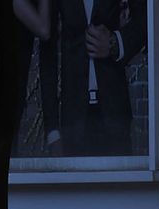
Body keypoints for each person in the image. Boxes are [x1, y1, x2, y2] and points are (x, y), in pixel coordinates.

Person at [39, 0, 147, 156]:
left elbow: (145, 18)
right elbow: (48, 55)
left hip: (114, 114)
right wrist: (53, 132)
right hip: (73, 119)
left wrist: (115, 43)